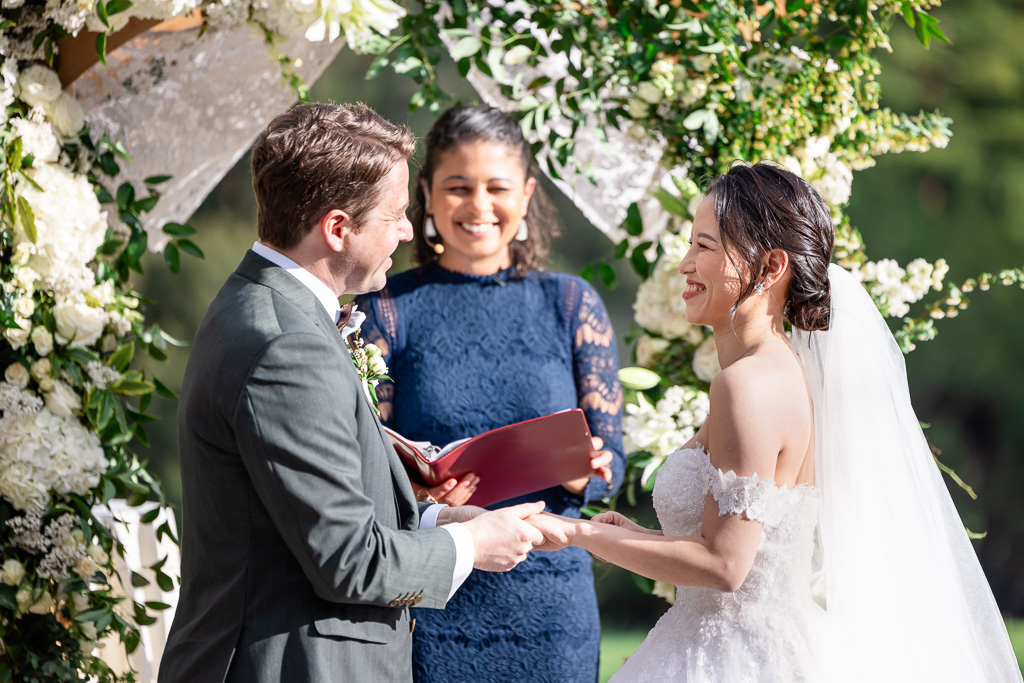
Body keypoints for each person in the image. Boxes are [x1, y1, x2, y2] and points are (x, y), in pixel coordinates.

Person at [530, 162, 1023, 682]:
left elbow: (724, 567)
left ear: (769, 267)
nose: (683, 264)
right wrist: (633, 537)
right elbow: (736, 549)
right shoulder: (778, 370)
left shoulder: (748, 386)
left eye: (704, 246)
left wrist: (578, 534)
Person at [158, 102, 558, 683]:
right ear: (338, 228)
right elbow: (348, 562)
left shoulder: (270, 307)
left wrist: (436, 521)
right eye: (395, 214)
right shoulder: (285, 343)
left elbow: (307, 514)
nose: (407, 229)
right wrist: (473, 545)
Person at [355, 104, 627, 682]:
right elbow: (362, 458)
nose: (479, 206)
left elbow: (612, 467)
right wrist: (424, 492)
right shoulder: (384, 308)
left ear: (526, 194)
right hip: (435, 599)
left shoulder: (572, 305)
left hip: (553, 609)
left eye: (497, 187)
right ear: (426, 193)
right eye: (459, 187)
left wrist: (587, 472)